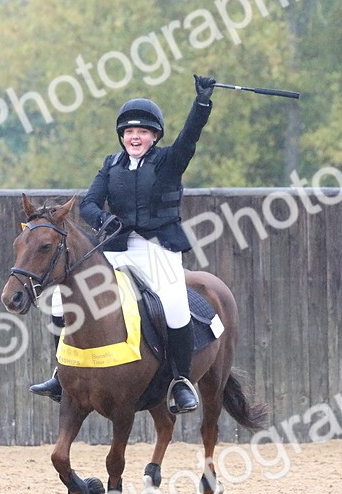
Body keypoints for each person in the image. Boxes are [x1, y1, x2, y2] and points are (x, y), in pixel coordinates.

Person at [30, 74, 218, 414]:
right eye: (130, 132)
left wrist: (201, 104)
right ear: (122, 136)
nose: (135, 136)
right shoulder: (110, 165)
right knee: (62, 301)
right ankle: (61, 374)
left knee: (174, 303)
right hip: (116, 250)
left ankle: (180, 382)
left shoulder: (168, 162)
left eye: (143, 132)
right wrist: (102, 220)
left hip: (158, 249)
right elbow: (89, 202)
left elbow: (190, 138)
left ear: (154, 136)